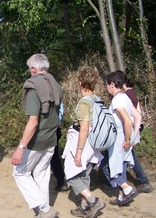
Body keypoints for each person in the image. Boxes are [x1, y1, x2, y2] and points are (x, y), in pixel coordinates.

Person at [11, 53, 62, 218]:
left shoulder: (34, 86)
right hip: (52, 138)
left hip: (38, 139)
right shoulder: (56, 84)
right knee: (41, 173)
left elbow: (33, 121)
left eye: (29, 69)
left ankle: (45, 208)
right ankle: (43, 212)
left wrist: (20, 148)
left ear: (34, 69)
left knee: (19, 172)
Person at [62, 66, 105, 218]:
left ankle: (94, 201)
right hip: (95, 143)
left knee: (71, 175)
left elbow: (84, 128)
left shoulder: (84, 103)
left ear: (80, 83)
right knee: (84, 174)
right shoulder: (98, 100)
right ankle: (84, 207)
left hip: (84, 142)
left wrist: (78, 151)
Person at [100, 71, 142, 207]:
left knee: (109, 166)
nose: (106, 87)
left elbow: (127, 121)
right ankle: (121, 195)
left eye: (106, 84)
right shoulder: (125, 97)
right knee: (120, 167)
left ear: (112, 84)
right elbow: (138, 117)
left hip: (119, 139)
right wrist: (133, 137)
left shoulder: (117, 99)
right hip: (125, 139)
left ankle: (127, 189)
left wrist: (129, 139)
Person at [123, 77, 153, 193]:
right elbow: (138, 112)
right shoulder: (133, 93)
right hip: (133, 127)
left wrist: (133, 134)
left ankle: (144, 181)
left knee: (130, 156)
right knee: (128, 155)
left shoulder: (127, 95)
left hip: (129, 128)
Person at [50, 102, 69, 191]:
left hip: (49, 131)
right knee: (54, 156)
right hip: (56, 129)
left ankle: (61, 182)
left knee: (50, 156)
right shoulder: (59, 101)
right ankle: (61, 181)